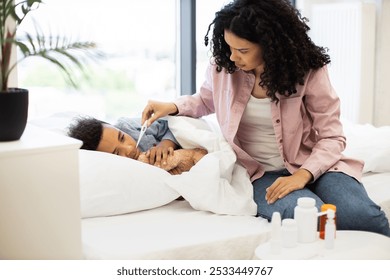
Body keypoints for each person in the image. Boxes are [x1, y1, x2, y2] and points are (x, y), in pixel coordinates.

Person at [141, 0, 390, 236]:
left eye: (242, 50)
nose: (232, 57)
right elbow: (206, 101)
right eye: (228, 47)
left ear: (271, 45)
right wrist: (172, 105)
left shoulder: (308, 71)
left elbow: (332, 136)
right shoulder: (223, 68)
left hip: (316, 164)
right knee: (309, 218)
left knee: (362, 217)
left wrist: (303, 175)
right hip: (259, 172)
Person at [67, 115, 207, 175]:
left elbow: (170, 125)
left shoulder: (128, 126)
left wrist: (164, 144)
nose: (129, 149)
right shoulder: (114, 169)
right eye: (117, 153)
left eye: (122, 137)